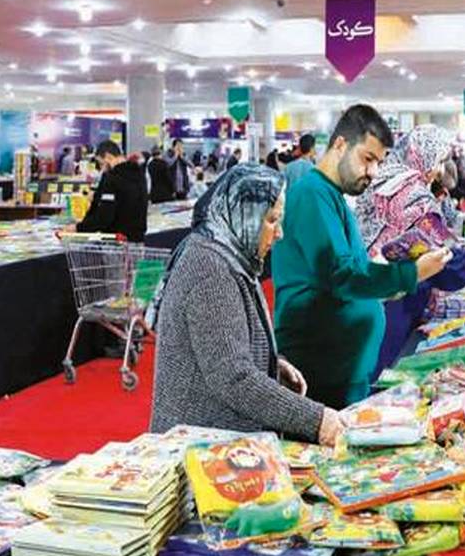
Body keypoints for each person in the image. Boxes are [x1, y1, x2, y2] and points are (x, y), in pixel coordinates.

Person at [147, 164, 343, 444]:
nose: (279, 233)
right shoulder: (210, 268)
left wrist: (271, 364)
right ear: (242, 214)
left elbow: (226, 348)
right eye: (271, 220)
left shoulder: (230, 255)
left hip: (214, 441)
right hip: (198, 448)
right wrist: (317, 420)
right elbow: (233, 378)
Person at [273, 105, 451, 409]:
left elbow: (348, 269)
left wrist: (385, 275)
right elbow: (341, 275)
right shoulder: (312, 195)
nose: (373, 172)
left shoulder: (332, 197)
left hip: (340, 370)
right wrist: (412, 273)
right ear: (340, 145)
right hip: (319, 372)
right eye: (367, 159)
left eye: (379, 162)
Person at [353, 125, 465, 376]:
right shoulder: (414, 196)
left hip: (360, 295)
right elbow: (447, 262)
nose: (439, 171)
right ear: (421, 155)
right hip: (389, 304)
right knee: (375, 378)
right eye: (437, 161)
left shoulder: (383, 180)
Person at [73, 139, 147, 242]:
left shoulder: (112, 178)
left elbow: (104, 217)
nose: (102, 169)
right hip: (137, 238)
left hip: (116, 240)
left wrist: (78, 228)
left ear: (108, 157)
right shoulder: (139, 174)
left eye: (101, 163)